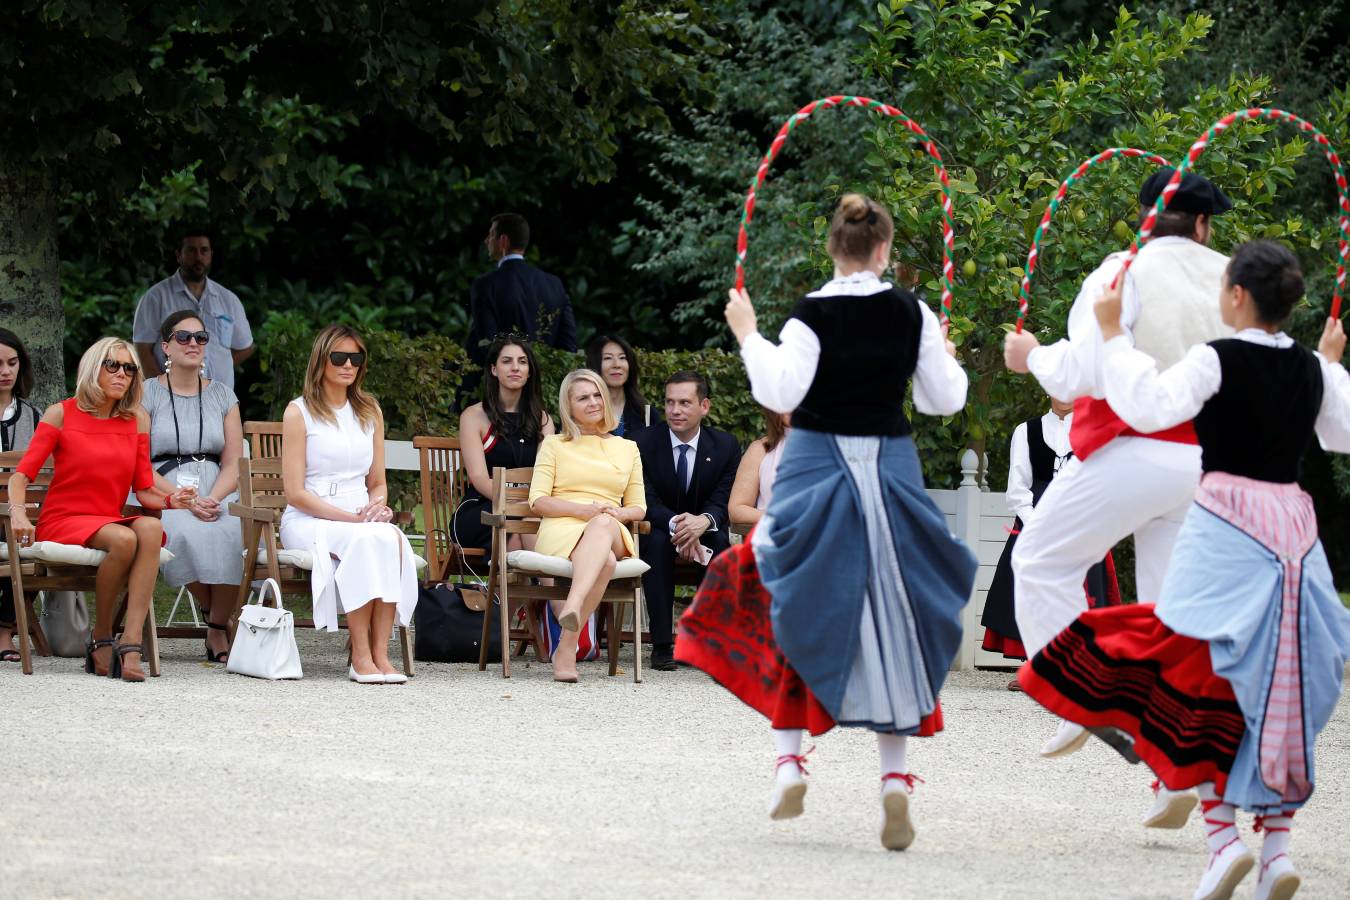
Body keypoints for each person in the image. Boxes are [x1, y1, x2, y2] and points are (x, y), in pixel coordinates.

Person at [1020, 241, 1350, 900]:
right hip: (1292, 531)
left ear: (1234, 297)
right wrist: (1330, 366)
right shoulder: (1314, 369)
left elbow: (1147, 405)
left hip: (1226, 521)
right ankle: (1277, 845)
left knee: (1195, 671)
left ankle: (1224, 837)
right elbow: (1341, 432)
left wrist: (1113, 334)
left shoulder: (1216, 357)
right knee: (1282, 675)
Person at [677, 193, 975, 851]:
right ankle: (894, 782)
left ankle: (789, 761)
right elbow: (943, 401)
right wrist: (942, 349)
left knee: (790, 598)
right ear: (884, 250)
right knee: (893, 612)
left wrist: (749, 332)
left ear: (834, 251)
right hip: (889, 465)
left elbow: (780, 394)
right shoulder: (912, 312)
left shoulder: (812, 313)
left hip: (816, 466)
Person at [1003, 169, 1235, 831]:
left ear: (1145, 216)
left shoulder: (1121, 271)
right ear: (1200, 224)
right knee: (1172, 617)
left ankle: (1081, 694)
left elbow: (1085, 371)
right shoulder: (1231, 275)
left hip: (1133, 447)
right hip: (1209, 463)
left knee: (1041, 562)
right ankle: (1172, 777)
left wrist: (1031, 356)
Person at [8, 338, 196, 682]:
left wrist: (172, 501)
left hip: (107, 518)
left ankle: (131, 641)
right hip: (64, 519)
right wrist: (19, 513)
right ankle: (103, 634)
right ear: (93, 368)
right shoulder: (61, 413)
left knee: (151, 529)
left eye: (129, 368)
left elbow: (144, 488)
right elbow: (22, 476)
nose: (121, 373)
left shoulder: (136, 419)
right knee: (124, 539)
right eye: (112, 365)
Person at [279, 325, 419, 685]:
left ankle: (382, 654)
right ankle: (359, 655)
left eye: (355, 358)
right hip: (310, 516)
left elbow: (377, 481)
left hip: (359, 516)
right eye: (338, 357)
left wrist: (378, 507)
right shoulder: (299, 412)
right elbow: (295, 492)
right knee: (363, 539)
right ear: (321, 360)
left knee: (388, 537)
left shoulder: (369, 409)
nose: (347, 365)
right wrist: (352, 519)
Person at [979, 399, 1120, 683]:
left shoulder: (1094, 428)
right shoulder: (1026, 431)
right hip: (1034, 521)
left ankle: (1076, 667)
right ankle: (1035, 666)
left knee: (1081, 591)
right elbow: (1017, 487)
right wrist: (1037, 527)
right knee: (1033, 591)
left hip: (1080, 520)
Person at [528, 369, 646, 683]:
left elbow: (639, 505)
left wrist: (616, 515)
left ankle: (574, 604)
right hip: (563, 527)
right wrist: (584, 511)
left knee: (605, 525)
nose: (593, 402)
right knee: (604, 561)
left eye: (597, 395)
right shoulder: (555, 445)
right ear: (569, 405)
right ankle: (566, 649)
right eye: (583, 397)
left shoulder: (627, 448)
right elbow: (537, 501)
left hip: (612, 526)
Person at [141, 311, 245, 664]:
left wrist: (212, 497)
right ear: (165, 346)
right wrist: (182, 500)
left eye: (200, 338)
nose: (193, 344)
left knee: (235, 531)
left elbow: (233, 462)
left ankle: (216, 624)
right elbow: (137, 460)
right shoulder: (146, 393)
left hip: (217, 486)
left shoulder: (223, 395)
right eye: (183, 337)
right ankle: (218, 617)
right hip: (162, 487)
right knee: (181, 533)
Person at [634, 371, 740, 671]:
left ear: (704, 406)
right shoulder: (641, 442)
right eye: (669, 402)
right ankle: (662, 645)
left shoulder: (726, 446)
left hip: (705, 529)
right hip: (658, 526)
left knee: (719, 542)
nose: (675, 410)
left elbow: (723, 500)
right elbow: (644, 498)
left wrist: (704, 521)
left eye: (684, 403)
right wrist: (679, 525)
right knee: (655, 543)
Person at [453, 337, 554, 561]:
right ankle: (549, 596)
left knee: (522, 529)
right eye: (507, 361)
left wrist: (526, 505)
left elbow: (545, 475)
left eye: (522, 362)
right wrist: (515, 503)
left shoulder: (542, 420)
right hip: (483, 508)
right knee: (521, 524)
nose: (515, 367)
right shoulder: (474, 416)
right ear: (494, 369)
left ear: (529, 372)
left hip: (529, 508)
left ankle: (510, 596)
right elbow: (479, 478)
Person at [132, 226, 255, 391]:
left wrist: (221, 363)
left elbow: (246, 346)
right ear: (179, 255)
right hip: (171, 399)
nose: (198, 257)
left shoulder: (228, 299)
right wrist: (161, 390)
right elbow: (142, 349)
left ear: (211, 255)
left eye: (204, 251)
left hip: (218, 398)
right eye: (191, 251)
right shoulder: (156, 297)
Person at [465, 213, 577, 373]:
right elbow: (568, 347)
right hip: (546, 388)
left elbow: (488, 346)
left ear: (503, 241)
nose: (486, 241)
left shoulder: (485, 285)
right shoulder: (554, 284)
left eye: (490, 235)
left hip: (502, 388)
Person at [0, 328, 43, 661]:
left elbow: (41, 477)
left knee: (27, 536)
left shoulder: (34, 416)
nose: (5, 371)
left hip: (23, 512)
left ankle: (4, 630)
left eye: (12, 363)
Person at [727, 406, 791, 526]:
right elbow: (737, 509)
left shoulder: (832, 446)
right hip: (772, 537)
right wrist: (780, 517)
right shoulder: (760, 449)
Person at [585, 334, 652, 436]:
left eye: (622, 357)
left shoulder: (646, 413)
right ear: (595, 364)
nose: (617, 364)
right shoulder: (584, 412)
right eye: (608, 358)